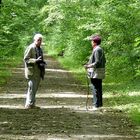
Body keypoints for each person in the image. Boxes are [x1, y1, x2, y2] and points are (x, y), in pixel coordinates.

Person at [24, 33, 46, 109]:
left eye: (40, 40)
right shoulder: (31, 47)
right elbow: (26, 59)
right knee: (31, 88)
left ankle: (31, 103)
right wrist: (35, 60)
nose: (39, 41)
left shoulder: (40, 48)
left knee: (34, 88)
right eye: (38, 40)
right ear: (34, 40)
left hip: (38, 71)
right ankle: (30, 104)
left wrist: (42, 62)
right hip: (32, 72)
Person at [84, 35, 106, 110]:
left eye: (92, 41)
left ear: (95, 42)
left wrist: (89, 66)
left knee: (95, 88)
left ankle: (96, 105)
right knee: (98, 88)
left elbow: (97, 62)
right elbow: (103, 61)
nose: (91, 42)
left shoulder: (97, 49)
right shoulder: (100, 49)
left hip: (96, 72)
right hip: (99, 71)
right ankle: (99, 105)